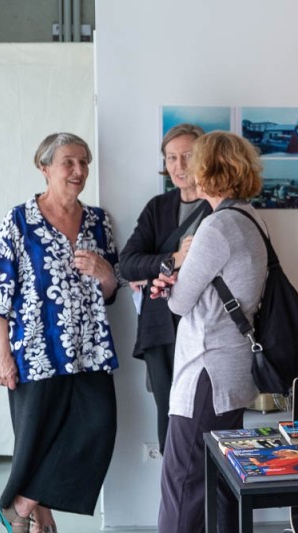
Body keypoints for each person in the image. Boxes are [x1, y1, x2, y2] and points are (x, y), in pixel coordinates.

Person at [0, 133, 120, 533]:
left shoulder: (98, 220)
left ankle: (20, 506)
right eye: (69, 162)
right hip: (37, 351)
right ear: (44, 168)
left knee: (98, 428)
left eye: (84, 162)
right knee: (38, 441)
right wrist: (0, 353)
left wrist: (105, 272)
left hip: (91, 348)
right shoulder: (20, 220)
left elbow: (111, 291)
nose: (79, 171)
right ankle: (36, 518)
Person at [149, 131, 267, 533]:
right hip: (231, 370)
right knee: (218, 485)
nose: (185, 169)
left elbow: (181, 303)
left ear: (208, 170)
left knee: (182, 482)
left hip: (205, 372)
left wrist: (171, 283)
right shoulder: (251, 219)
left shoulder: (216, 228)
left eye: (193, 161)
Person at [119, 123, 211, 454]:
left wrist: (154, 267)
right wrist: (173, 259)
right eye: (171, 157)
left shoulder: (219, 206)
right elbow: (127, 264)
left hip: (205, 331)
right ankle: (174, 500)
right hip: (159, 331)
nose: (179, 166)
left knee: (203, 417)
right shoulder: (158, 208)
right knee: (168, 417)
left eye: (187, 156)